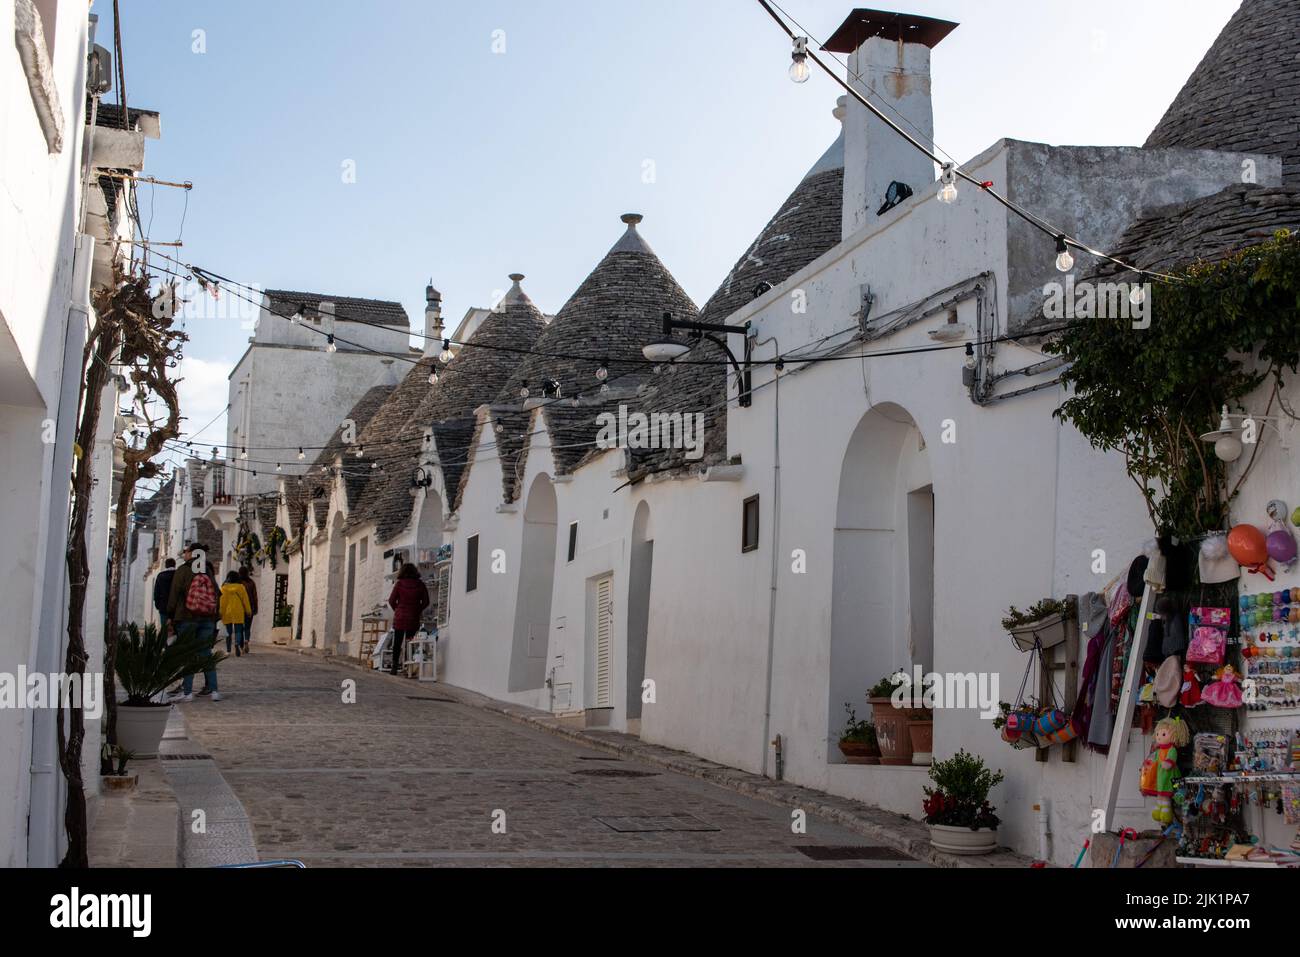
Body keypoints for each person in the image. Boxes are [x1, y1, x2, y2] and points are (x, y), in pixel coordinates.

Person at [166, 544, 222, 702]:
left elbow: (174, 594)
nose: (184, 554)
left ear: (192, 553)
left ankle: (188, 692)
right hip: (207, 618)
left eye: (186, 552)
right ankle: (214, 691)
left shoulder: (183, 570)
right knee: (206, 654)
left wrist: (170, 615)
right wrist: (214, 615)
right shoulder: (207, 570)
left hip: (187, 617)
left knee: (188, 655)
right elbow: (217, 593)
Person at [387, 563, 429, 676]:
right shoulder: (420, 584)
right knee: (410, 642)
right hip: (413, 616)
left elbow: (391, 600)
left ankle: (394, 667)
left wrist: (398, 609)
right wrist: (418, 609)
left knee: (397, 642)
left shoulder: (399, 584)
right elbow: (426, 601)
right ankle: (409, 667)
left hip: (400, 617)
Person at [220, 570, 253, 657]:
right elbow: (245, 601)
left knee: (228, 632)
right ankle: (237, 644)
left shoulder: (224, 588)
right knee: (238, 631)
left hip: (228, 612)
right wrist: (248, 611)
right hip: (238, 612)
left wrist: (221, 612)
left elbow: (222, 602)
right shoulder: (241, 587)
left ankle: (228, 651)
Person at [153, 558, 176, 638]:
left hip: (163, 607)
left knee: (165, 630)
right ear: (174, 565)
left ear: (166, 565)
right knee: (175, 630)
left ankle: (165, 644)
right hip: (175, 607)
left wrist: (158, 605)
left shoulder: (160, 576)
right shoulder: (177, 574)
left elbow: (156, 592)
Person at [239, 566, 259, 654]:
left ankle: (241, 645)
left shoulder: (238, 583)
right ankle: (246, 640)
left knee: (239, 627)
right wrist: (256, 608)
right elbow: (255, 596)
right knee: (247, 627)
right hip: (249, 608)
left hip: (239, 608)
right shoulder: (251, 582)